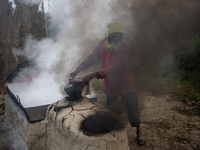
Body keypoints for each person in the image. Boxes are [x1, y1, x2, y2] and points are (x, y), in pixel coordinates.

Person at [70, 22, 146, 146]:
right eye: (113, 35)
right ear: (109, 35)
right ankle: (113, 136)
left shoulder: (124, 46)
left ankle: (138, 132)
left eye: (118, 35)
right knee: (111, 112)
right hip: (111, 85)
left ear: (121, 35)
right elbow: (91, 58)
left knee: (133, 112)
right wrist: (77, 70)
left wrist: (93, 75)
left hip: (125, 84)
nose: (116, 38)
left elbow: (115, 67)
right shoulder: (102, 44)